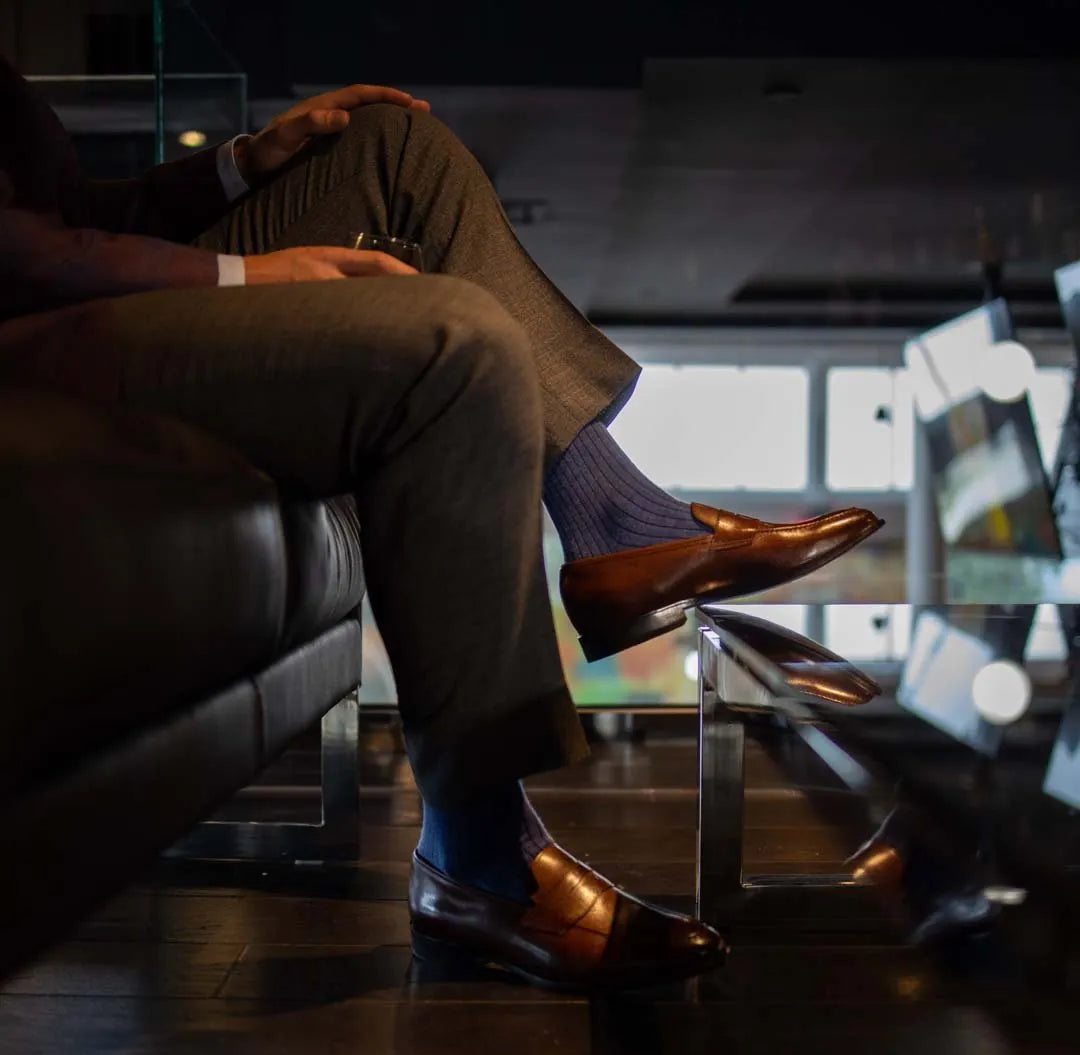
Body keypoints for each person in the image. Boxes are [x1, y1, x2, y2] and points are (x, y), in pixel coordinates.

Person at [0, 57, 881, 990]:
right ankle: (482, 855)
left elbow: (67, 215)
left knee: (396, 147)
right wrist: (242, 274)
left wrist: (242, 165)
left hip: (64, 286)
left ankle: (620, 531)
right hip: (27, 344)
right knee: (453, 345)